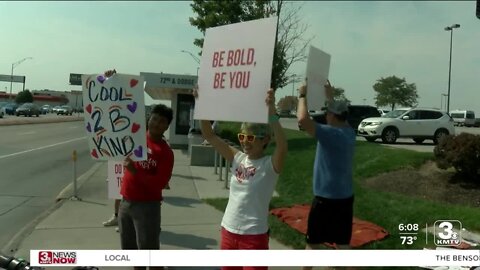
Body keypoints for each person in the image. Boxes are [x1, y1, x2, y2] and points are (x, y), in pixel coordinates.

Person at [194, 87, 287, 270]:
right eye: (242, 136)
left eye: (250, 137)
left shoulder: (269, 165)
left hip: (254, 237)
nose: (245, 141)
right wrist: (202, 106)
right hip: (228, 231)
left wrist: (273, 115)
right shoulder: (238, 158)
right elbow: (209, 135)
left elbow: (282, 147)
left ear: (265, 140)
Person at [104, 69, 174, 270]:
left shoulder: (165, 152)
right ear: (148, 118)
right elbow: (116, 109)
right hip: (126, 203)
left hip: (148, 207)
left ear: (167, 126)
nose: (157, 123)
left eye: (162, 121)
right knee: (130, 253)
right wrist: (112, 81)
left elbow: (160, 183)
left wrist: (136, 172)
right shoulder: (134, 136)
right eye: (155, 118)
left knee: (149, 253)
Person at [296, 80, 356, 270]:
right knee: (342, 244)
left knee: (312, 244)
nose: (326, 116)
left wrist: (302, 95)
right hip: (345, 198)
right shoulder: (349, 132)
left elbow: (302, 120)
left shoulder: (329, 134)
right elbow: (339, 115)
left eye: (328, 113)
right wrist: (329, 95)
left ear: (332, 116)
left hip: (325, 200)